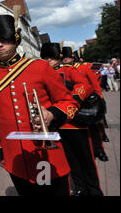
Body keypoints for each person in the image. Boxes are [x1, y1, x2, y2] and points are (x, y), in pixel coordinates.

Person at [0, 14, 80, 196]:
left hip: (47, 153)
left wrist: (52, 114)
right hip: (16, 158)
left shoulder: (39, 67)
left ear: (15, 39)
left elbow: (69, 102)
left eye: (4, 39)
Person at [41, 43, 103, 196]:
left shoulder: (67, 70)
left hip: (75, 123)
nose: (48, 60)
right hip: (58, 125)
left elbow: (84, 85)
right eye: (45, 57)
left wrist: (72, 101)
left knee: (86, 160)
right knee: (71, 160)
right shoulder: (42, 73)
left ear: (58, 58)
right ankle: (80, 188)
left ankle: (94, 190)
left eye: (51, 57)